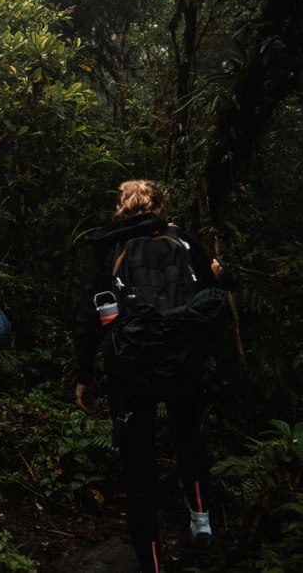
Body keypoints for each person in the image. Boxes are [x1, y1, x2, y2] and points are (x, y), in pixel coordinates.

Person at [73, 180, 236, 573]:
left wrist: (84, 373)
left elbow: (88, 315)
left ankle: (152, 564)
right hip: (184, 361)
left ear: (120, 207)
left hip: (130, 369)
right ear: (160, 205)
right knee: (187, 438)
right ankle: (201, 523)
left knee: (139, 466)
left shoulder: (110, 247)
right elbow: (212, 295)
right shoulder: (184, 240)